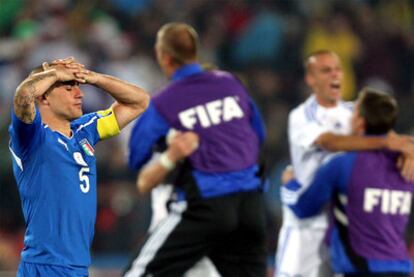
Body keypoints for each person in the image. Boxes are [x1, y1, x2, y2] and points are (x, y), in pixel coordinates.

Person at [125, 22, 267, 277]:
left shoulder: (164, 101)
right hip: (252, 204)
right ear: (195, 52)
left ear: (164, 57)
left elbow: (137, 157)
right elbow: (259, 134)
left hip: (207, 203)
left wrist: (171, 154)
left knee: (138, 272)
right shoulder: (231, 83)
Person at [275, 50, 414, 277]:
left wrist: (410, 151)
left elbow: (391, 137)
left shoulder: (354, 112)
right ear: (310, 79)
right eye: (326, 70)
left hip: (344, 227)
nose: (334, 75)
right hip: (307, 228)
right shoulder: (301, 116)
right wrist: (386, 143)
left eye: (337, 69)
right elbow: (328, 141)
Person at [8, 57, 149, 276]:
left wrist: (93, 77)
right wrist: (55, 73)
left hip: (78, 266)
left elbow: (139, 101)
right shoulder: (33, 139)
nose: (79, 94)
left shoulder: (85, 131)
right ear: (44, 96)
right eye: (68, 87)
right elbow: (23, 97)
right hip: (45, 267)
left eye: (78, 86)